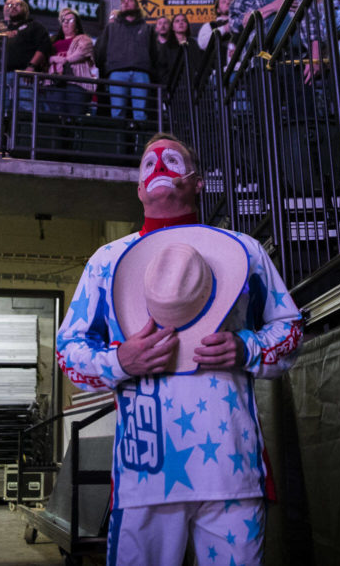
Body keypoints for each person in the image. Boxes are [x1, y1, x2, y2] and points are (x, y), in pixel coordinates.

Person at [55, 132, 303, 566]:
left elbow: (289, 329)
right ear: (138, 189)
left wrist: (245, 349)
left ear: (199, 181)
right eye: (149, 165)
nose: (160, 169)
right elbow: (68, 350)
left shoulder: (244, 251)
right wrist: (119, 360)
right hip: (144, 475)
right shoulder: (106, 261)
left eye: (172, 160)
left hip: (232, 469)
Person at [0, 0, 52, 130]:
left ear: (26, 9)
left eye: (18, 5)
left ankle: (24, 146)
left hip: (23, 76)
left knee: (26, 112)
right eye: (10, 5)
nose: (13, 7)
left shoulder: (34, 26)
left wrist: (31, 66)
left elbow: (44, 46)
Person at [94, 0, 158, 122]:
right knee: (117, 114)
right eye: (123, 1)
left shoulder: (147, 28)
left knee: (141, 115)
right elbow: (100, 50)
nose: (126, 3)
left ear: (137, 5)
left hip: (141, 72)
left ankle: (141, 142)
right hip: (116, 72)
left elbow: (154, 53)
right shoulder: (111, 27)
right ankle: (118, 142)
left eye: (130, 0)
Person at [45, 7, 96, 116]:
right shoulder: (53, 41)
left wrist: (64, 60)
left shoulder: (84, 39)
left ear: (77, 25)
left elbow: (83, 52)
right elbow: (44, 57)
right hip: (54, 83)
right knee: (56, 116)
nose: (66, 23)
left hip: (76, 83)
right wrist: (51, 58)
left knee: (75, 116)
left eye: (71, 20)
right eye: (64, 20)